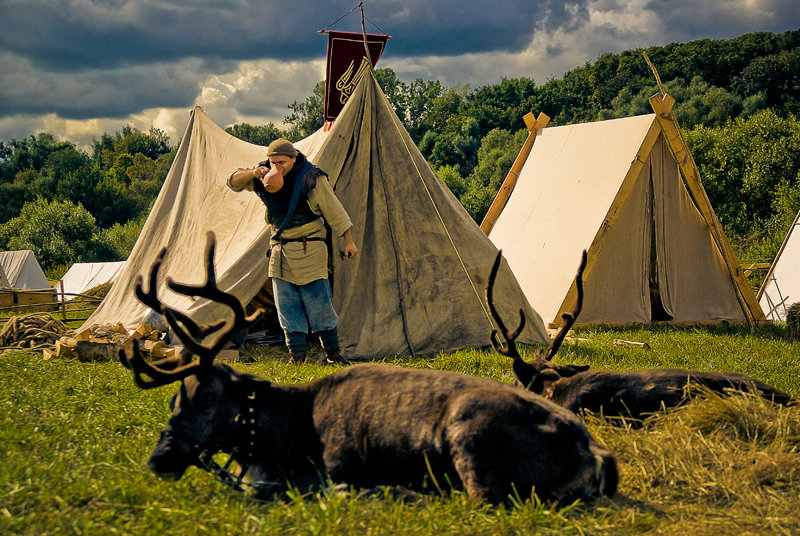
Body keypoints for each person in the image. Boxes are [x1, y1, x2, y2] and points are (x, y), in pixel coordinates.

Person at [228, 138, 358, 365]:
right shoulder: (262, 174)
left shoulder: (311, 178)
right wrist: (254, 172)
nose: (277, 166)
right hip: (280, 250)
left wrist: (349, 241)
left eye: (282, 162)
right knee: (286, 305)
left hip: (310, 247)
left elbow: (335, 210)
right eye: (273, 161)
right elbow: (232, 182)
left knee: (319, 304)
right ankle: (296, 355)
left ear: (294, 158)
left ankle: (333, 354)